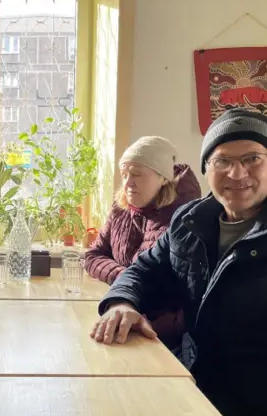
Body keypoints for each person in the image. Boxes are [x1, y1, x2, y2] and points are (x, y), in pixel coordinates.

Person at [91, 108, 267, 416]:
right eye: (222, 160)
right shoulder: (192, 219)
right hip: (200, 393)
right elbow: (144, 270)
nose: (237, 174)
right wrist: (121, 302)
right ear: (206, 168)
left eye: (253, 158)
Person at [85, 136, 200, 347]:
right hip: (121, 309)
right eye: (124, 174)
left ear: (163, 178)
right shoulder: (120, 209)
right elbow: (93, 255)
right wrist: (125, 281)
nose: (128, 183)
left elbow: (165, 292)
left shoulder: (182, 220)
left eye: (136, 174)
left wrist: (129, 286)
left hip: (159, 335)